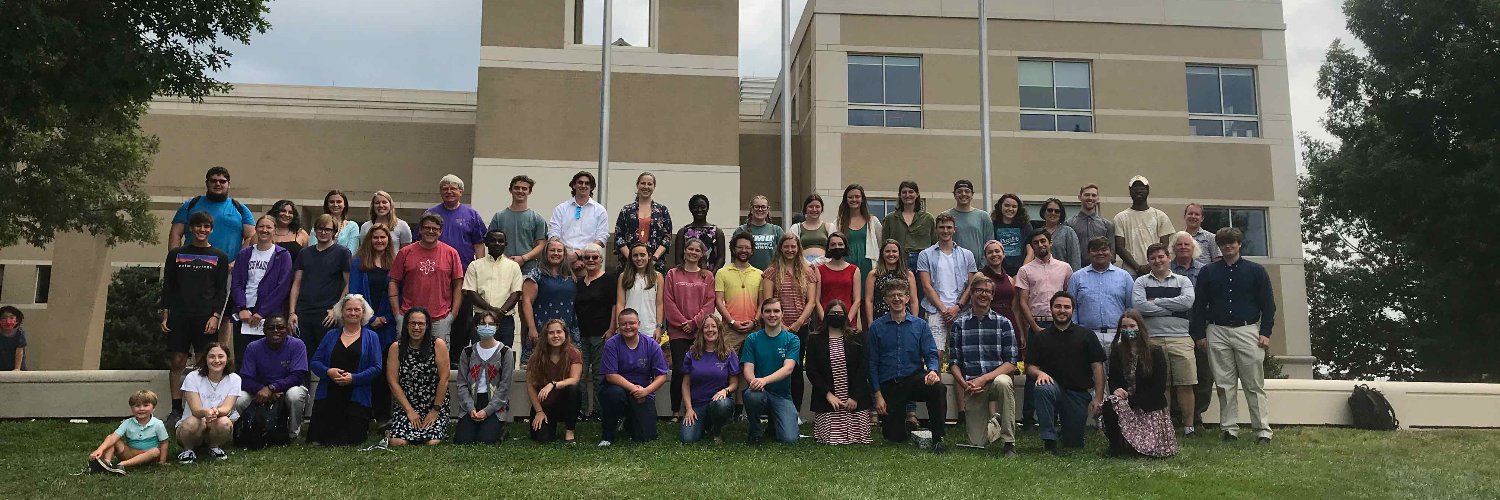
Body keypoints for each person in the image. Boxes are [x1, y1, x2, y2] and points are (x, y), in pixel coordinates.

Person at [1192, 227, 1276, 443]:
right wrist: (1199, 334)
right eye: (1223, 243)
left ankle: (1262, 430)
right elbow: (1199, 305)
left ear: (1239, 244)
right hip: (1217, 330)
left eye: (1232, 242)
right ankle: (1229, 428)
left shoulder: (1256, 271)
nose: (1228, 246)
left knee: (1253, 383)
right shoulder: (1208, 272)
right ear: (1218, 246)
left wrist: (1265, 332)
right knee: (1223, 384)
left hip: (1247, 330)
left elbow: (1268, 305)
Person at [159, 211, 231, 425]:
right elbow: (168, 285)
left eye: (206, 227)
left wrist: (216, 316)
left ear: (211, 229)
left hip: (205, 317)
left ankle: (200, 409)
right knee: (177, 361)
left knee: (205, 362)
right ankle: (175, 409)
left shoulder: (220, 256)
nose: (202, 230)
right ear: (191, 228)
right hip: (179, 316)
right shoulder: (176, 254)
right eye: (198, 226)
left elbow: (221, 291)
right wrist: (165, 313)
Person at [867, 279, 947, 453]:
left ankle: (938, 438)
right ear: (886, 300)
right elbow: (872, 364)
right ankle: (904, 428)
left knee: (938, 387)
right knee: (894, 437)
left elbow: (931, 353)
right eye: (892, 296)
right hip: (890, 384)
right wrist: (878, 396)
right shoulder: (876, 328)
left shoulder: (920, 325)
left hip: (913, 379)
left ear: (907, 298)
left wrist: (933, 371)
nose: (896, 299)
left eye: (900, 295)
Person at [1026, 291, 1106, 454]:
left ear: (1072, 310)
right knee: (1043, 388)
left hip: (1077, 393)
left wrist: (1098, 398)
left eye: (1067, 307)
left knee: (1073, 443)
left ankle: (1064, 433)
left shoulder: (1086, 335)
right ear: (1051, 309)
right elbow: (1030, 367)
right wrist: (1038, 373)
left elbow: (1097, 367)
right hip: (1052, 389)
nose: (1062, 310)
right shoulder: (1041, 337)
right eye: (1058, 306)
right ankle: (1049, 439)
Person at [949, 274, 1019, 455]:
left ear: (992, 296)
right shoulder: (959, 325)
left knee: (1004, 382)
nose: (983, 294)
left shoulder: (1004, 323)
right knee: (977, 444)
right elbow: (954, 363)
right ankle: (994, 424)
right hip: (973, 387)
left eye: (988, 291)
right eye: (979, 290)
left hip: (995, 381)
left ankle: (1008, 442)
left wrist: (984, 379)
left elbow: (1011, 363)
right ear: (971, 294)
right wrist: (965, 384)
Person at [1133, 243, 1198, 436]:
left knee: (1185, 383)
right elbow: (1139, 306)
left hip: (1181, 339)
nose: (1157, 261)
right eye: (1153, 258)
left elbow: (1187, 302)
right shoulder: (1141, 282)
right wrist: (1173, 306)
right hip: (1152, 340)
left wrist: (1158, 302)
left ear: (1169, 257)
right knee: (1162, 385)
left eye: (1161, 257)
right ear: (1148, 261)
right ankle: (1165, 426)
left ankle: (1189, 427)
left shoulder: (1183, 280)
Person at [1012, 229, 1072, 426]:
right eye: (1036, 243)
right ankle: (1028, 419)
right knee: (1032, 370)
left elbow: (1068, 298)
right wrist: (1035, 327)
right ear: (1032, 246)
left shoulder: (1065, 268)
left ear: (1050, 242)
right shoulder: (1025, 271)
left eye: (1043, 241)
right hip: (1036, 323)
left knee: (1059, 369)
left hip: (1059, 324)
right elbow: (1022, 302)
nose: (1040, 245)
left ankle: (1056, 417)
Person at [307, 294, 384, 446]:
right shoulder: (330, 335)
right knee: (319, 440)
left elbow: (376, 368)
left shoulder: (372, 337)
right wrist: (328, 372)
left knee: (354, 439)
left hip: (357, 396)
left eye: (357, 309)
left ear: (364, 313)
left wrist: (353, 378)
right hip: (329, 394)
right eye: (349, 309)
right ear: (341, 312)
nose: (353, 313)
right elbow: (315, 361)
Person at [1103, 310, 1177, 457]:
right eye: (1124, 327)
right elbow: (1112, 378)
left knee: (1148, 452)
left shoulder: (1155, 351)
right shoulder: (1117, 351)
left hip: (1149, 405)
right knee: (1108, 405)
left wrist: (1133, 401)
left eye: (1132, 326)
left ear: (1140, 327)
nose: (1128, 330)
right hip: (1125, 401)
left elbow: (1159, 387)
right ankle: (1116, 446)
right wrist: (1116, 389)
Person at [390, 213, 465, 358]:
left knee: (439, 359)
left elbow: (458, 284)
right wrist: (396, 313)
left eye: (435, 229)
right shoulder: (405, 252)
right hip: (408, 316)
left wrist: (453, 314)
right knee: (405, 357)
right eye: (427, 228)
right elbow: (393, 281)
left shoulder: (451, 253)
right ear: (420, 230)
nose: (431, 231)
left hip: (440, 317)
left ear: (440, 231)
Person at [759, 233, 818, 413]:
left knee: (796, 369)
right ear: (780, 248)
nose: (790, 250)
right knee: (775, 367)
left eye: (793, 247)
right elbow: (768, 301)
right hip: (776, 327)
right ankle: (772, 410)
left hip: (800, 327)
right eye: (786, 247)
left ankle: (795, 411)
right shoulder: (771, 271)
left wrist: (799, 322)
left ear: (798, 248)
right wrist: (781, 324)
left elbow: (812, 301)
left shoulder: (808, 271)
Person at [663, 238, 717, 421]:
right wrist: (682, 323)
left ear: (702, 254)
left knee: (699, 369)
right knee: (679, 370)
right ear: (684, 251)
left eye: (697, 250)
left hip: (700, 331)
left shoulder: (707, 276)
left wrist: (694, 323)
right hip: (678, 332)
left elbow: (709, 304)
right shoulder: (672, 274)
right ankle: (675, 410)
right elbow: (668, 302)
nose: (693, 253)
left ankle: (696, 408)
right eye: (690, 249)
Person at [598, 308, 670, 446]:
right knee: (615, 395)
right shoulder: (611, 344)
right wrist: (634, 389)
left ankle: (628, 421)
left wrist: (646, 391)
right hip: (616, 389)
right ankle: (608, 435)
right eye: (624, 324)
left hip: (643, 392)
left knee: (646, 436)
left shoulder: (651, 345)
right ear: (618, 325)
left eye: (632, 323)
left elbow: (661, 375)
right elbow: (611, 375)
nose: (628, 327)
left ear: (639, 323)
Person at [804, 300, 872, 445]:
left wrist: (854, 397)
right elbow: (811, 370)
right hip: (827, 398)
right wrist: (828, 395)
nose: (836, 316)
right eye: (832, 313)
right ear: (826, 316)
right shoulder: (815, 339)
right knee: (828, 439)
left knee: (859, 439)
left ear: (846, 316)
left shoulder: (858, 337)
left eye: (840, 313)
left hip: (854, 398)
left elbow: (863, 367)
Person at [233, 315, 309, 442]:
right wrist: (263, 390)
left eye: (280, 328)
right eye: (271, 328)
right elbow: (246, 378)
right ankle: (250, 429)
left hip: (288, 389)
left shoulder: (297, 345)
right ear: (263, 331)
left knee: (295, 394)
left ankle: (293, 434)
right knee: (240, 398)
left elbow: (298, 376)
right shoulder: (253, 347)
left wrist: (272, 388)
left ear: (288, 329)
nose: (276, 331)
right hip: (260, 391)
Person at [384, 306, 451, 446]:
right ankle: (391, 430)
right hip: (407, 405)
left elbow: (444, 380)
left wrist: (435, 410)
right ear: (406, 325)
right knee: (398, 442)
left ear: (427, 326)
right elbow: (392, 381)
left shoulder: (438, 345)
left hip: (433, 405)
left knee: (432, 442)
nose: (416, 327)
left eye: (421, 324)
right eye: (412, 323)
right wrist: (409, 410)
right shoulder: (396, 348)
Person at [289, 214, 352, 360]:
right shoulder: (305, 253)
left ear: (334, 232)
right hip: (303, 313)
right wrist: (292, 312)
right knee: (302, 359)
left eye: (327, 229)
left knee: (328, 358)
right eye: (320, 229)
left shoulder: (342, 253)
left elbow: (349, 283)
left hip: (327, 314)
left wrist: (337, 309)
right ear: (315, 230)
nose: (323, 232)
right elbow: (296, 283)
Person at [231, 215, 294, 358]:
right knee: (243, 356)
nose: (264, 230)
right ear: (256, 229)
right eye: (261, 226)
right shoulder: (244, 254)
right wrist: (242, 308)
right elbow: (237, 283)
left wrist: (261, 313)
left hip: (269, 315)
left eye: (268, 227)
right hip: (244, 314)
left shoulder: (282, 255)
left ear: (275, 230)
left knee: (268, 356)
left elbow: (282, 288)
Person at [741, 297, 801, 444]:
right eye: (767, 311)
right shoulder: (752, 339)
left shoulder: (792, 339)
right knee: (752, 395)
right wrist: (755, 382)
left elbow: (788, 369)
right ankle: (755, 431)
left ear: (782, 314)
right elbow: (748, 369)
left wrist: (764, 380)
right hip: (759, 392)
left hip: (782, 396)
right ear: (762, 314)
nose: (772, 315)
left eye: (776, 311)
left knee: (790, 439)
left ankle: (774, 424)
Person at [916, 213, 976, 357]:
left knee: (965, 353)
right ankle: (936, 380)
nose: (945, 230)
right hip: (936, 310)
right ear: (936, 229)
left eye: (949, 227)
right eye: (941, 227)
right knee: (935, 354)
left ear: (954, 229)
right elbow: (926, 286)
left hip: (962, 309)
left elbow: (971, 286)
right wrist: (944, 310)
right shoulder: (925, 254)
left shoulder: (967, 255)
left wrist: (957, 308)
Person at [454, 312, 517, 445]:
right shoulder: (467, 352)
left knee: (485, 440)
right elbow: (461, 384)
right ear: (476, 327)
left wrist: (487, 411)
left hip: (494, 403)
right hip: (472, 401)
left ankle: (501, 430)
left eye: (491, 324)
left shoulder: (505, 352)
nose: (487, 327)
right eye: (483, 324)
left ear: (497, 327)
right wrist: (470, 407)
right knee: (463, 440)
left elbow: (504, 387)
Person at [1169, 230, 1212, 425]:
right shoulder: (1167, 270)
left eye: (1187, 244)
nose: (1183, 247)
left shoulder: (1205, 271)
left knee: (1203, 374)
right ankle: (1178, 416)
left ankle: (1196, 415)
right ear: (1173, 249)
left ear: (1194, 248)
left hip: (1200, 328)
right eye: (1179, 245)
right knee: (1176, 375)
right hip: (1175, 329)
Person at [168, 166, 253, 261]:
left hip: (228, 269)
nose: (218, 184)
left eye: (222, 181)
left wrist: (237, 262)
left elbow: (251, 238)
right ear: (207, 183)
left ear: (229, 184)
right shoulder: (190, 205)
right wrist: (175, 260)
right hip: (191, 266)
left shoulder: (241, 209)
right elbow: (175, 234)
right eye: (213, 181)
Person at [173, 343, 240, 463]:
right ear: (205, 359)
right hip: (193, 424)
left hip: (215, 423)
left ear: (227, 358)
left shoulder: (234, 379)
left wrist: (216, 412)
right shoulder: (193, 377)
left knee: (225, 422)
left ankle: (214, 446)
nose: (216, 360)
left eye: (221, 356)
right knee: (192, 422)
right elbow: (196, 409)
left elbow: (227, 408)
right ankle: (188, 450)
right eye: (212, 356)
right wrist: (206, 412)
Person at [1068, 237, 1134, 358]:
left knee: (1117, 375)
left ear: (1111, 252)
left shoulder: (1125, 277)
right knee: (1092, 375)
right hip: (1087, 335)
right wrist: (1076, 333)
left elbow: (1130, 307)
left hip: (1117, 335)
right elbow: (1072, 308)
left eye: (1104, 249)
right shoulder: (1077, 277)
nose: (1100, 253)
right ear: (1088, 253)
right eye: (1095, 250)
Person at [679, 315, 740, 443]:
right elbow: (685, 384)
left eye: (713, 326)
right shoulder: (692, 353)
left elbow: (734, 383)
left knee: (722, 405)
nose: (710, 330)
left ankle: (716, 430)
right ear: (701, 331)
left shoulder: (729, 353)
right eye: (706, 327)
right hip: (697, 404)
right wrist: (689, 409)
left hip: (719, 402)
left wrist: (725, 391)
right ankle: (705, 425)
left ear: (719, 330)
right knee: (688, 439)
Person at [573, 243, 616, 419]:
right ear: (582, 261)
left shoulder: (609, 280)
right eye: (587, 257)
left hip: (602, 334)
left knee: (599, 374)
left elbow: (615, 305)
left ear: (601, 260)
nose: (591, 260)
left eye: (594, 257)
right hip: (581, 335)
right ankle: (582, 410)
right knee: (581, 375)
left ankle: (599, 410)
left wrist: (612, 328)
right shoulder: (579, 283)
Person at [463, 230, 525, 349]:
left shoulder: (513, 266)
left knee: (503, 357)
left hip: (505, 320)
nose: (497, 243)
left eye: (501, 241)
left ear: (506, 244)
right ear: (486, 243)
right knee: (479, 357)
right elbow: (471, 292)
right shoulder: (475, 265)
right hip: (480, 319)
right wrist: (492, 311)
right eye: (493, 240)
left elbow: (516, 293)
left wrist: (501, 312)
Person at [522, 238, 578, 365]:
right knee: (540, 368)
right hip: (542, 329)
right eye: (552, 250)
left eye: (559, 251)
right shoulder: (536, 274)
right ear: (546, 253)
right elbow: (526, 301)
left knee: (568, 367)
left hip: (567, 329)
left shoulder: (570, 275)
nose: (556, 253)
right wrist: (531, 328)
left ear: (564, 255)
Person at [527, 319, 583, 443]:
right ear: (545, 336)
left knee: (573, 389)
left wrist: (552, 384)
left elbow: (574, 380)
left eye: (559, 332)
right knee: (542, 439)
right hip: (545, 405)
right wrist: (539, 411)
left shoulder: (574, 353)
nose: (555, 336)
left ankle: (569, 432)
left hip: (565, 403)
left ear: (565, 334)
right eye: (551, 333)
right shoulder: (535, 357)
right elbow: (530, 386)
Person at [87, 390, 168, 474]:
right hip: (130, 453)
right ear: (132, 408)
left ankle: (122, 465)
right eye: (137, 406)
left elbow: (164, 443)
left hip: (148, 455)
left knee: (155, 451)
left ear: (153, 408)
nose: (141, 409)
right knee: (111, 438)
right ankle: (107, 464)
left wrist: (162, 461)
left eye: (146, 405)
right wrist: (99, 449)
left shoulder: (158, 424)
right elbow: (113, 437)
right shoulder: (127, 423)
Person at [881, 181, 936, 305]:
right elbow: (885, 244)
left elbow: (934, 244)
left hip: (922, 261)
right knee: (899, 296)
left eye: (911, 192)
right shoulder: (890, 218)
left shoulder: (928, 218)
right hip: (899, 261)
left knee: (922, 298)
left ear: (917, 194)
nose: (907, 195)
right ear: (900, 195)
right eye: (904, 192)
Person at [1113, 176, 1175, 276]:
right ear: (1130, 191)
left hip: (1156, 270)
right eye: (1135, 188)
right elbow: (1120, 247)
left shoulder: (1160, 216)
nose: (1138, 191)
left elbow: (1164, 246)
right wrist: (1138, 268)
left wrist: (1150, 265)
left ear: (1148, 190)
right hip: (1130, 273)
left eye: (1142, 188)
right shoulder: (1120, 218)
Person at [488, 175, 550, 274]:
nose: (520, 191)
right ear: (510, 190)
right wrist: (504, 259)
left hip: (528, 270)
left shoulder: (537, 218)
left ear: (529, 192)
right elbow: (490, 241)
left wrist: (523, 258)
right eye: (516, 188)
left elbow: (542, 244)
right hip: (501, 268)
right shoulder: (499, 217)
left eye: (524, 188)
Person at [549, 170, 610, 271]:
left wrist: (579, 254)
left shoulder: (600, 210)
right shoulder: (561, 208)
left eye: (587, 183)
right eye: (580, 182)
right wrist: (567, 255)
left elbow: (602, 238)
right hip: (562, 262)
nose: (583, 185)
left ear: (592, 187)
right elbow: (553, 234)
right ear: (574, 185)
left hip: (588, 263)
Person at [614, 172, 673, 274]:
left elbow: (667, 237)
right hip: (629, 265)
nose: (646, 187)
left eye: (650, 184)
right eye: (643, 183)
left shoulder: (662, 210)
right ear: (637, 185)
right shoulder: (626, 210)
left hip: (655, 265)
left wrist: (654, 258)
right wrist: (632, 258)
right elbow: (619, 237)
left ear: (654, 187)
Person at [715, 233, 762, 353]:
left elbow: (762, 303)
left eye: (747, 248)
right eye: (740, 247)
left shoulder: (760, 274)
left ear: (752, 251)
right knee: (727, 364)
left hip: (754, 329)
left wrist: (754, 322)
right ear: (733, 249)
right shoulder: (722, 273)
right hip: (730, 329)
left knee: (754, 366)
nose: (743, 250)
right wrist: (732, 322)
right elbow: (718, 301)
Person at [430, 174, 488, 267]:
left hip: (464, 269)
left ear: (460, 191)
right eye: (445, 189)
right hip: (436, 269)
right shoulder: (430, 214)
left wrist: (480, 268)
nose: (449, 192)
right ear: (440, 192)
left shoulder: (472, 215)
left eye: (453, 188)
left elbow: (479, 244)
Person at [864, 239, 918, 330]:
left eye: (894, 251)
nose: (891, 254)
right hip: (880, 319)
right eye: (887, 251)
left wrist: (915, 321)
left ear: (899, 254)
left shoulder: (908, 274)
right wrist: (870, 322)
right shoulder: (874, 274)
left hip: (904, 320)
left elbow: (913, 300)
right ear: (882, 254)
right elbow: (869, 300)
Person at [617, 244, 664, 344]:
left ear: (649, 256)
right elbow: (620, 303)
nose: (639, 258)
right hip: (628, 328)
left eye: (642, 255)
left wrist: (658, 327)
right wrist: (619, 326)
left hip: (649, 328)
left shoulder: (658, 276)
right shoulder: (623, 276)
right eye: (635, 255)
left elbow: (659, 304)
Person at [817, 232, 862, 329]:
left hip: (848, 320)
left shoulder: (854, 270)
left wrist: (847, 320)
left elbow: (857, 300)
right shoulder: (820, 270)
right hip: (826, 319)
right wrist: (824, 320)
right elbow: (816, 300)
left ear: (845, 247)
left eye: (840, 244)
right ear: (828, 248)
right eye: (833, 245)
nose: (837, 247)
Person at [943, 179, 991, 270]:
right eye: (959, 191)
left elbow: (989, 244)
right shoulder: (946, 216)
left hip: (979, 268)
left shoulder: (983, 216)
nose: (963, 194)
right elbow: (941, 242)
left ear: (972, 194)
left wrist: (982, 267)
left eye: (967, 191)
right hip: (952, 267)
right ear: (954, 195)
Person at [837, 184, 882, 279]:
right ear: (846, 200)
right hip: (845, 265)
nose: (854, 199)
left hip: (868, 266)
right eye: (850, 197)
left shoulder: (873, 221)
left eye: (857, 196)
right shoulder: (838, 222)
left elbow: (881, 244)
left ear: (862, 199)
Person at [673, 194, 726, 272]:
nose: (699, 210)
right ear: (690, 209)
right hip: (688, 276)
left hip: (710, 276)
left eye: (703, 207)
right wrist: (687, 273)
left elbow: (721, 258)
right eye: (695, 207)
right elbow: (678, 258)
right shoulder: (683, 232)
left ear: (707, 208)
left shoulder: (717, 232)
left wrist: (711, 275)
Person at [1064, 183, 1114, 258]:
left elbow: (1112, 253)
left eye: (1094, 195)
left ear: (1098, 198)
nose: (1090, 198)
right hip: (1077, 268)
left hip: (1101, 268)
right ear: (1080, 197)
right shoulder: (1069, 224)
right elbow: (1065, 251)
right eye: (1087, 195)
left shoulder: (1107, 225)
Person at [991, 193, 1035, 276]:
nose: (1010, 209)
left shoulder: (1025, 226)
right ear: (1000, 206)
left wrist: (1022, 272)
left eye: (1014, 206)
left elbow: (1030, 252)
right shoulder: (993, 225)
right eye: (1007, 205)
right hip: (998, 271)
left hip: (1020, 271)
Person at [737, 195, 784, 270]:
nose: (760, 209)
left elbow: (783, 255)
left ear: (768, 210)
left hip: (771, 276)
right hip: (747, 275)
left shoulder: (777, 230)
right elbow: (735, 255)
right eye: (756, 207)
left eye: (763, 207)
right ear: (751, 209)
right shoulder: (741, 230)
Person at [791, 194, 837, 264]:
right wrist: (807, 264)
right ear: (805, 208)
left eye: (817, 207)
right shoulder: (796, 228)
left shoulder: (829, 227)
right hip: (802, 265)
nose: (814, 209)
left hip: (824, 264)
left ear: (821, 209)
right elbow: (791, 248)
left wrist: (818, 262)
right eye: (811, 207)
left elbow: (834, 248)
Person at [1039, 198, 1082, 270]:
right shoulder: (1038, 233)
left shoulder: (1068, 232)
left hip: (1063, 277)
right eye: (1050, 210)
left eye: (1057, 211)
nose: (1053, 213)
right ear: (1044, 212)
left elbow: (1075, 259)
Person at [0, 306, 26, 370]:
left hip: (17, 367)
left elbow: (19, 352)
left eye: (11, 318)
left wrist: (17, 369)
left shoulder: (19, 333)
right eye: (3, 318)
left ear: (17, 320)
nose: (8, 322)